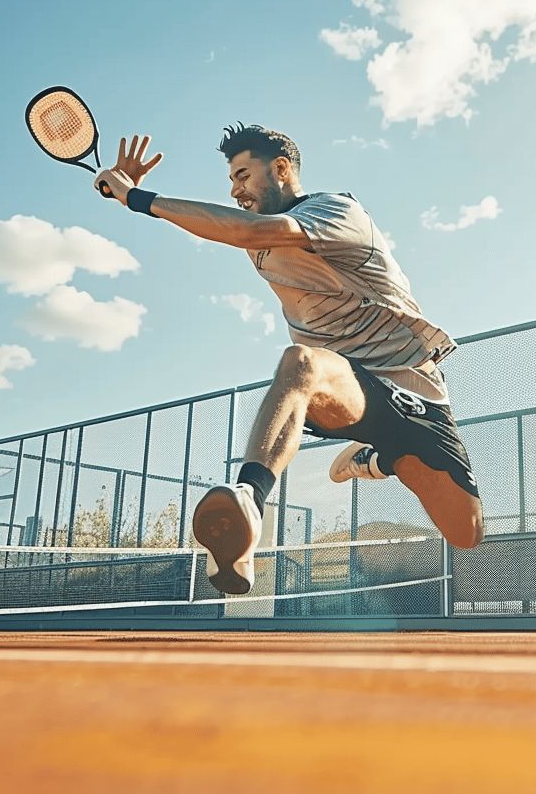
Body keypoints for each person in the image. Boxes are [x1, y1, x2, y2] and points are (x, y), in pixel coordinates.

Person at [93, 124, 483, 594]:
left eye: (242, 175)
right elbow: (231, 228)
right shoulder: (256, 235)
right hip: (343, 384)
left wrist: (138, 198)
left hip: (410, 389)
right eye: (231, 182)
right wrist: (126, 196)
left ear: (280, 168)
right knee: (300, 362)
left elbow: (243, 231)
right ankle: (249, 506)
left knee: (467, 534)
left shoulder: (336, 211)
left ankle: (378, 459)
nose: (236, 191)